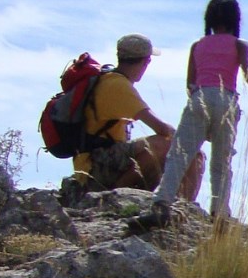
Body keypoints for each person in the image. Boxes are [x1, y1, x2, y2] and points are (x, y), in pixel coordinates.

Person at [151, 0, 248, 224]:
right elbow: (247, 73)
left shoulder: (198, 45)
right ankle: (220, 211)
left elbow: (190, 82)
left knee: (180, 153)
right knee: (221, 161)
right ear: (235, 19)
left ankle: (162, 200)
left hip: (200, 96)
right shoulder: (239, 45)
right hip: (226, 99)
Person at [80, 34, 195, 201]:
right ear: (146, 61)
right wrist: (190, 140)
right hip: (96, 164)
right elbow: (162, 129)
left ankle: (175, 205)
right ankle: (115, 197)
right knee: (169, 144)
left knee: (181, 149)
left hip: (94, 161)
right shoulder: (118, 85)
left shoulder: (107, 79)